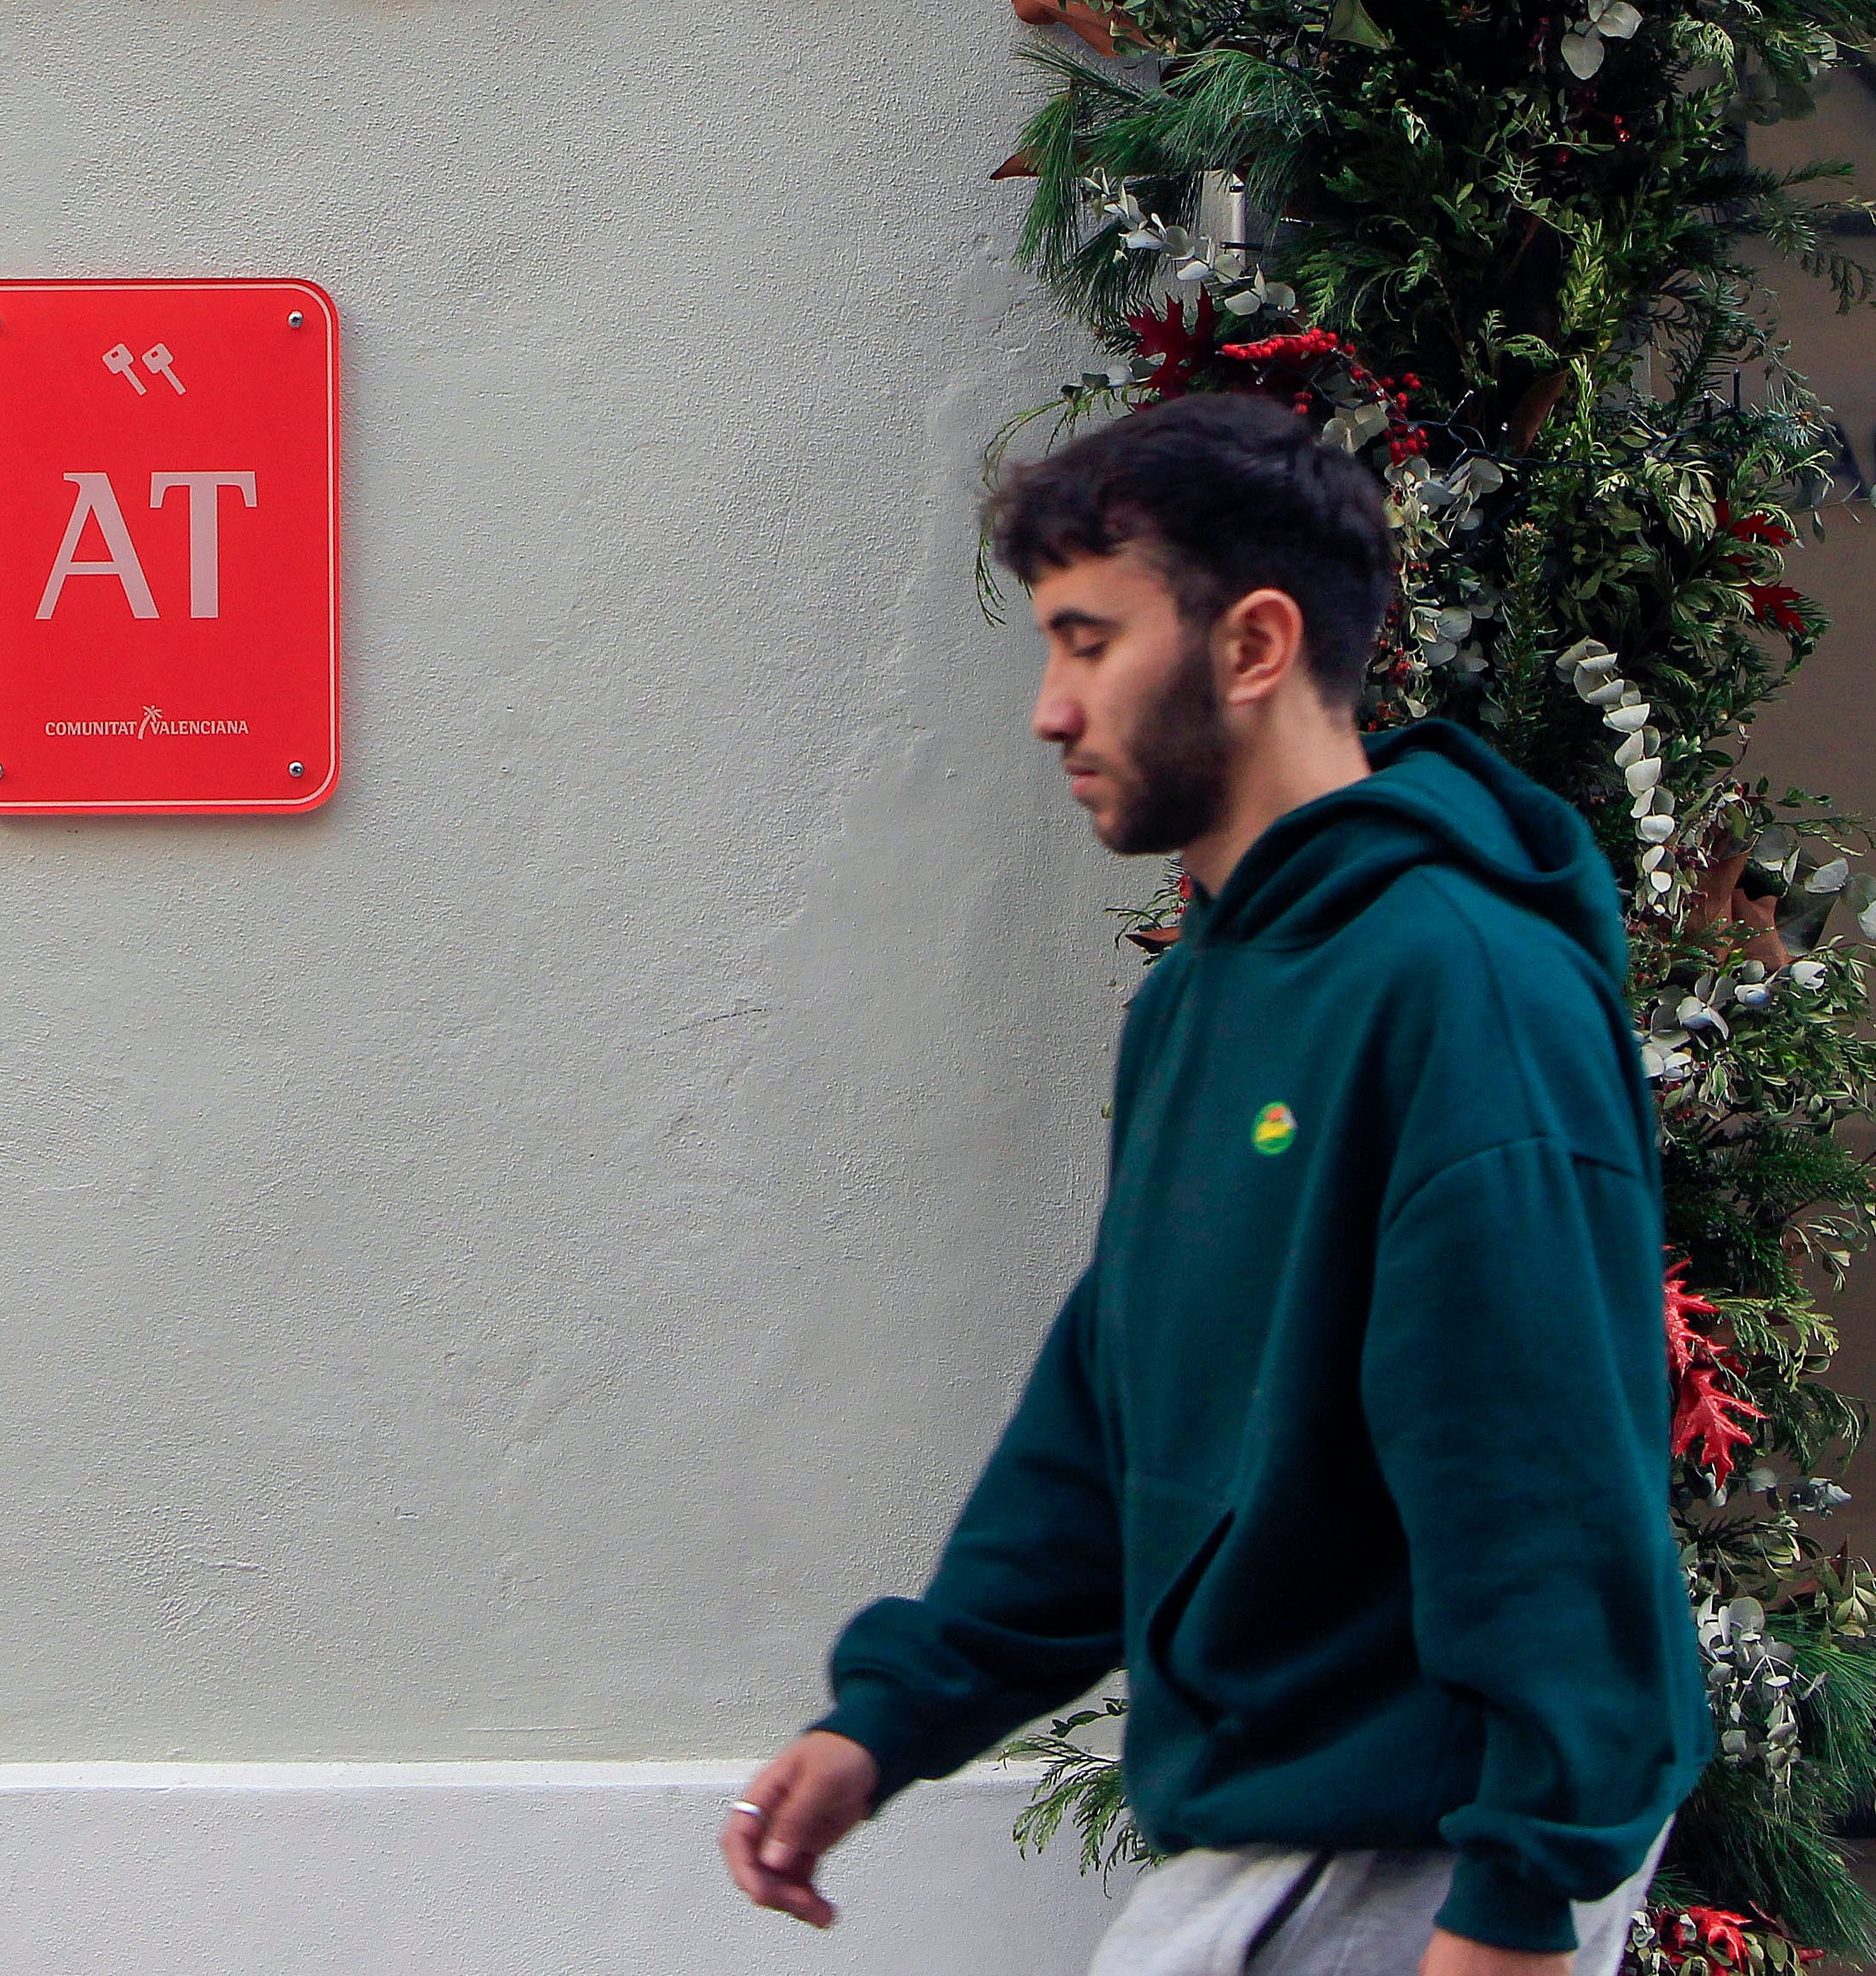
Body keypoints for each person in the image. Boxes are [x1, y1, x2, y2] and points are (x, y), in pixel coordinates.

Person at [719, 394, 1704, 1975]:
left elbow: (1546, 1469)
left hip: (1413, 1863)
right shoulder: (1203, 994)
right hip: (1273, 1841)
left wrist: (1516, 1911)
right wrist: (896, 1716)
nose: (1050, 709)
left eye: (1089, 641)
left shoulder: (1461, 987)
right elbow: (1116, 1414)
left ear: (1253, 645)